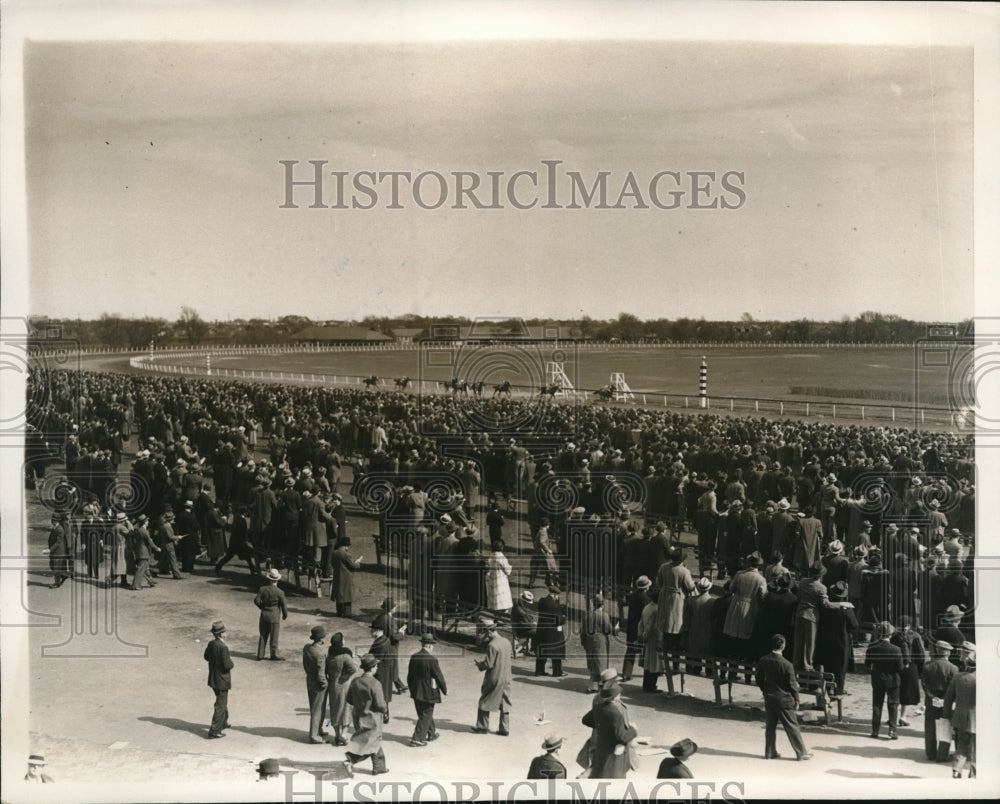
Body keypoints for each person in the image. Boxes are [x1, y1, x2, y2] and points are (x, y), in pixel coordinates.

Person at [755, 634, 811, 760]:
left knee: (770, 726)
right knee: (792, 726)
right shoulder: (787, 664)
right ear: (783, 646)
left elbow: (758, 678)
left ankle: (769, 752)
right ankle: (801, 753)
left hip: (769, 698)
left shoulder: (764, 660)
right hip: (784, 700)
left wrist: (765, 690)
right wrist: (797, 699)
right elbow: (792, 685)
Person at [581, 682, 638, 779]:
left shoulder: (598, 708)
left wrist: (601, 726)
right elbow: (622, 738)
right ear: (616, 697)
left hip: (600, 749)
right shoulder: (616, 713)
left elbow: (585, 720)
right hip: (613, 754)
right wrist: (633, 730)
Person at [345, 654, 389, 775]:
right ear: (373, 667)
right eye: (376, 665)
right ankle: (350, 760)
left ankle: (379, 768)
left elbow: (349, 699)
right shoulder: (375, 684)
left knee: (372, 741)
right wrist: (385, 710)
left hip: (359, 716)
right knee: (370, 744)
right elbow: (380, 704)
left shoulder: (355, 681)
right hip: (373, 718)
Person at [406, 633, 448, 746]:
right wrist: (444, 689)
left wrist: (411, 689)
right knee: (426, 713)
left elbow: (410, 676)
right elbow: (439, 676)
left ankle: (432, 733)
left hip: (416, 690)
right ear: (429, 645)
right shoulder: (432, 659)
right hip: (428, 691)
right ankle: (417, 738)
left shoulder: (414, 657)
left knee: (423, 712)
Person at [473, 618, 513, 735]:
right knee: (505, 702)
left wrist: (480, 664)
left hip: (494, 677)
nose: (485, 636)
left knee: (484, 700)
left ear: (489, 632)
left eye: (485, 633)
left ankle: (482, 726)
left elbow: (489, 664)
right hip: (506, 677)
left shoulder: (492, 645)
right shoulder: (506, 642)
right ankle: (504, 729)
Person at [865, 621, 904, 740]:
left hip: (877, 678)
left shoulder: (872, 647)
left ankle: (875, 730)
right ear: (891, 634)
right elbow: (900, 667)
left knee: (877, 704)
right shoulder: (896, 649)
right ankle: (892, 730)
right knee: (893, 705)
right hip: (892, 680)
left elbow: (867, 664)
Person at [921, 639, 958, 762]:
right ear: (948, 653)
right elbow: (953, 688)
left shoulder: (928, 666)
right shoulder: (953, 668)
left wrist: (932, 697)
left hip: (931, 700)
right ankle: (943, 754)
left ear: (937, 650)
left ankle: (930, 753)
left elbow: (925, 684)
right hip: (946, 701)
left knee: (930, 727)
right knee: (945, 727)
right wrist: (945, 699)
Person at [943, 645, 976, 779]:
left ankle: (956, 770)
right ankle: (973, 774)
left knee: (961, 745)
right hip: (978, 719)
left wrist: (946, 715)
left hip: (960, 717)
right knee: (975, 748)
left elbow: (948, 698)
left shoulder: (958, 677)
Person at [325, 632, 359, 747]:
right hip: (345, 685)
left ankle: (337, 735)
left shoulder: (330, 655)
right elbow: (354, 668)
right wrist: (348, 676)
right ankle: (344, 734)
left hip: (333, 686)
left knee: (335, 709)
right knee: (346, 709)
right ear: (341, 642)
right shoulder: (345, 656)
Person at [204, 620, 233, 739]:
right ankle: (214, 730)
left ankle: (223, 722)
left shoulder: (211, 644)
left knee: (222, 701)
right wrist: (232, 663)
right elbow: (227, 665)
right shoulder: (223, 647)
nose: (226, 633)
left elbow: (206, 657)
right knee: (221, 704)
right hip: (222, 680)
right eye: (224, 632)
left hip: (213, 678)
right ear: (221, 634)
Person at [372, 598, 408, 695]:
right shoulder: (390, 620)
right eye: (394, 606)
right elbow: (394, 636)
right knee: (393, 667)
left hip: (381, 643)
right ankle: (399, 686)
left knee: (383, 665)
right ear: (391, 608)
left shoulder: (380, 617)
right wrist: (401, 632)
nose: (396, 607)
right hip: (391, 646)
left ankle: (400, 685)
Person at [581, 594, 614, 692]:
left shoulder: (587, 616)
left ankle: (595, 685)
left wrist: (584, 643)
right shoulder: (604, 615)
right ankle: (595, 686)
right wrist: (615, 628)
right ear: (602, 605)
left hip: (589, 641)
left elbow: (582, 631)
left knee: (593, 664)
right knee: (600, 664)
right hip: (600, 641)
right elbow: (608, 629)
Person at [253, 568, 288, 660]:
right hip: (274, 617)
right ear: (277, 580)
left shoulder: (263, 589)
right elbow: (284, 606)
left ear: (269, 579)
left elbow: (256, 600)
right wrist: (285, 615)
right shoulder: (280, 592)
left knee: (263, 635)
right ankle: (274, 654)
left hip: (264, 615)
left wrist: (262, 607)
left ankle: (260, 654)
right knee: (274, 636)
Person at [622, 576, 652, 681]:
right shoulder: (646, 599)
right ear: (646, 587)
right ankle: (648, 672)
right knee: (645, 651)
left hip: (631, 626)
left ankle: (626, 673)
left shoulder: (633, 596)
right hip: (640, 628)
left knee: (630, 650)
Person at [303, 625, 329, 743]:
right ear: (321, 639)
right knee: (317, 709)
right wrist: (324, 684)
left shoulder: (307, 648)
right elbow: (321, 672)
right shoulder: (320, 653)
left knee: (316, 707)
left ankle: (318, 729)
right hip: (318, 683)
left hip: (310, 679)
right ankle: (314, 735)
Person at [535, 587, 567, 677]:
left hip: (542, 630)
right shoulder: (554, 606)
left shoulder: (542, 601)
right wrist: (564, 616)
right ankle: (557, 672)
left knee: (542, 651)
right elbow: (559, 620)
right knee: (556, 651)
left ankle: (539, 671)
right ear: (555, 595)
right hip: (552, 631)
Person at [330, 536, 362, 616]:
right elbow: (353, 566)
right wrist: (358, 562)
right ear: (346, 546)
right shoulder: (346, 554)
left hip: (337, 576)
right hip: (346, 577)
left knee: (339, 594)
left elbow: (332, 564)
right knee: (347, 595)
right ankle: (347, 613)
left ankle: (339, 612)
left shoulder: (335, 552)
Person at [485, 540, 513, 614]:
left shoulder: (491, 555)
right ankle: (503, 619)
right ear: (501, 547)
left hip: (493, 579)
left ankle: (496, 617)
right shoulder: (502, 557)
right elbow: (507, 570)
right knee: (503, 602)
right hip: (501, 580)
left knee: (495, 600)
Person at [47, 513, 72, 588]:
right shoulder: (54, 528)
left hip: (58, 551)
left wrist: (50, 549)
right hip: (54, 550)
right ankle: (64, 575)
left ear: (57, 521)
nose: (52, 521)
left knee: (56, 567)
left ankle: (57, 583)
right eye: (52, 519)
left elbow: (58, 542)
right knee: (53, 566)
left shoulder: (60, 529)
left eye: (54, 520)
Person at [510, 590, 537, 657]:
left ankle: (533, 648)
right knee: (539, 631)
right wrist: (534, 624)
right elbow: (526, 624)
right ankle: (533, 650)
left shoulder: (517, 604)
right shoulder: (521, 611)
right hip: (521, 630)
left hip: (518, 627)